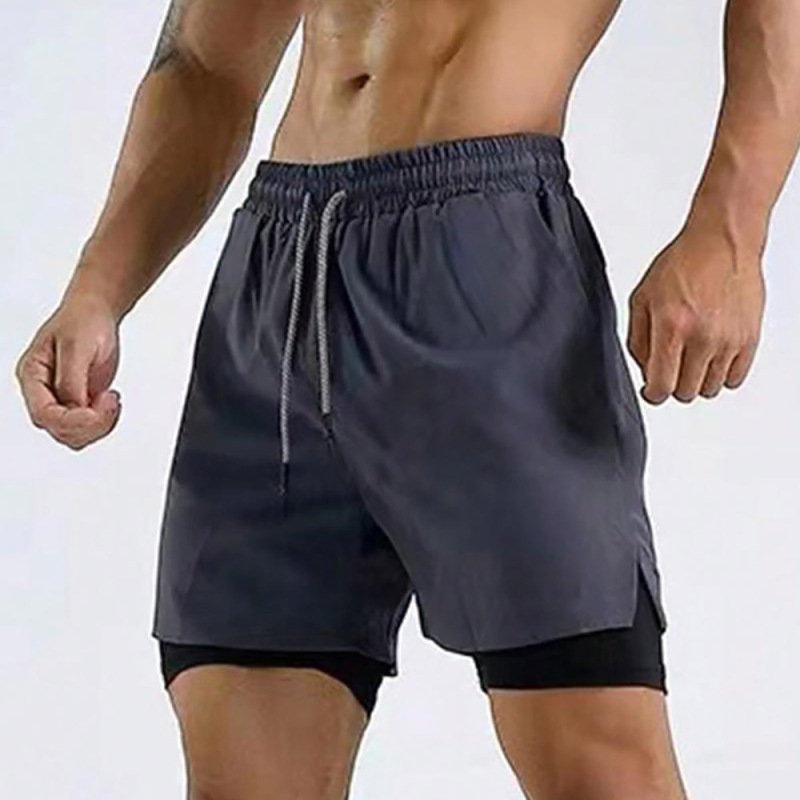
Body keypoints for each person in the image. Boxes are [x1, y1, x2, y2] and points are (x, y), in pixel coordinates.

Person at [15, 1, 799, 798]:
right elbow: (205, 66)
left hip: (484, 265)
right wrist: (98, 288)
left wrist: (731, 230)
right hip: (275, 289)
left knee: (602, 772)